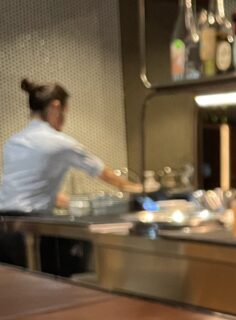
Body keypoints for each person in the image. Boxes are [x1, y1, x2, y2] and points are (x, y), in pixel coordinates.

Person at [0, 79, 140, 269]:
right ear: (56, 106)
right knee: (72, 267)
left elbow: (27, 187)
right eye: (64, 113)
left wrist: (67, 201)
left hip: (4, 228)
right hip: (30, 229)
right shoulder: (61, 143)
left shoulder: (13, 142)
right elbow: (106, 174)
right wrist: (140, 189)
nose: (63, 120)